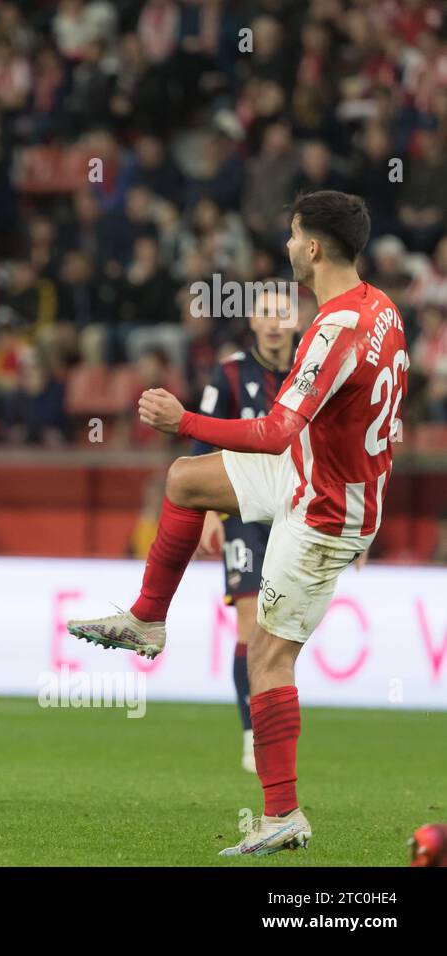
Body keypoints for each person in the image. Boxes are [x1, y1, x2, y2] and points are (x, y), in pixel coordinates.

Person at [67, 191, 407, 858]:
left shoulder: (334, 328)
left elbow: (278, 431)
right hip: (323, 474)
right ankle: (146, 618)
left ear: (311, 246)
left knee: (269, 659)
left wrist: (182, 421)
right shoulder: (381, 309)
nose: (286, 246)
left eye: (291, 234)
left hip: (326, 508)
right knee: (185, 480)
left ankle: (283, 814)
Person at [191, 288, 297, 774]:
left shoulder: (312, 370)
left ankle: (272, 727)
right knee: (250, 622)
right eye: (266, 313)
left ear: (298, 320)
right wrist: (209, 509)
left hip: (297, 511)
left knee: (279, 631)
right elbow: (205, 435)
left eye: (283, 313)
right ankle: (251, 730)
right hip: (243, 511)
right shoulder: (232, 372)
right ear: (252, 320)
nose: (275, 323)